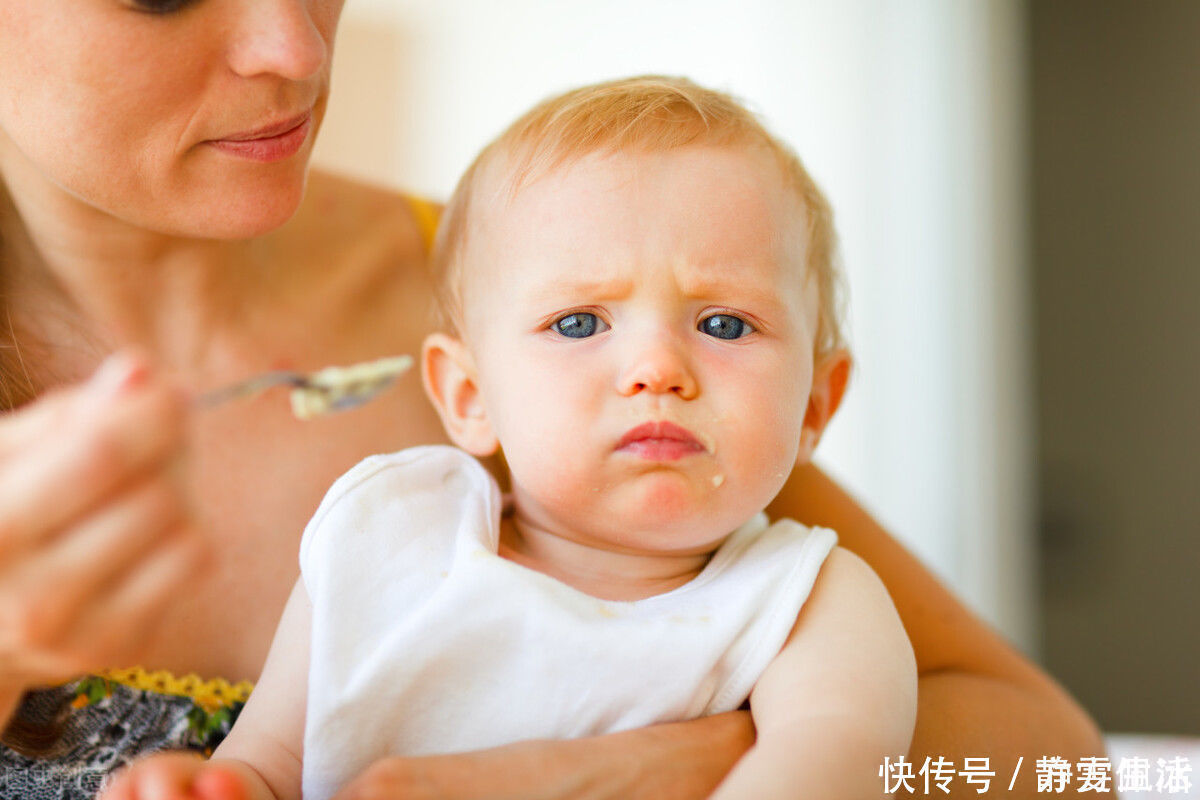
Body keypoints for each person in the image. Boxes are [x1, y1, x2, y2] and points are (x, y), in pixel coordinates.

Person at [0, 2, 1101, 799]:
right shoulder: (417, 475)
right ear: (458, 391)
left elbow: (1047, 751)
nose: (294, 46)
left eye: (723, 324)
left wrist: (622, 767)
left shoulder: (553, 269)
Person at [102, 75, 920, 800]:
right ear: (468, 395)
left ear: (816, 403)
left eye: (723, 322)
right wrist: (208, 787)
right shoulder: (388, 534)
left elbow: (831, 763)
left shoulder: (808, 601)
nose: (655, 369)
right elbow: (271, 767)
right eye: (578, 321)